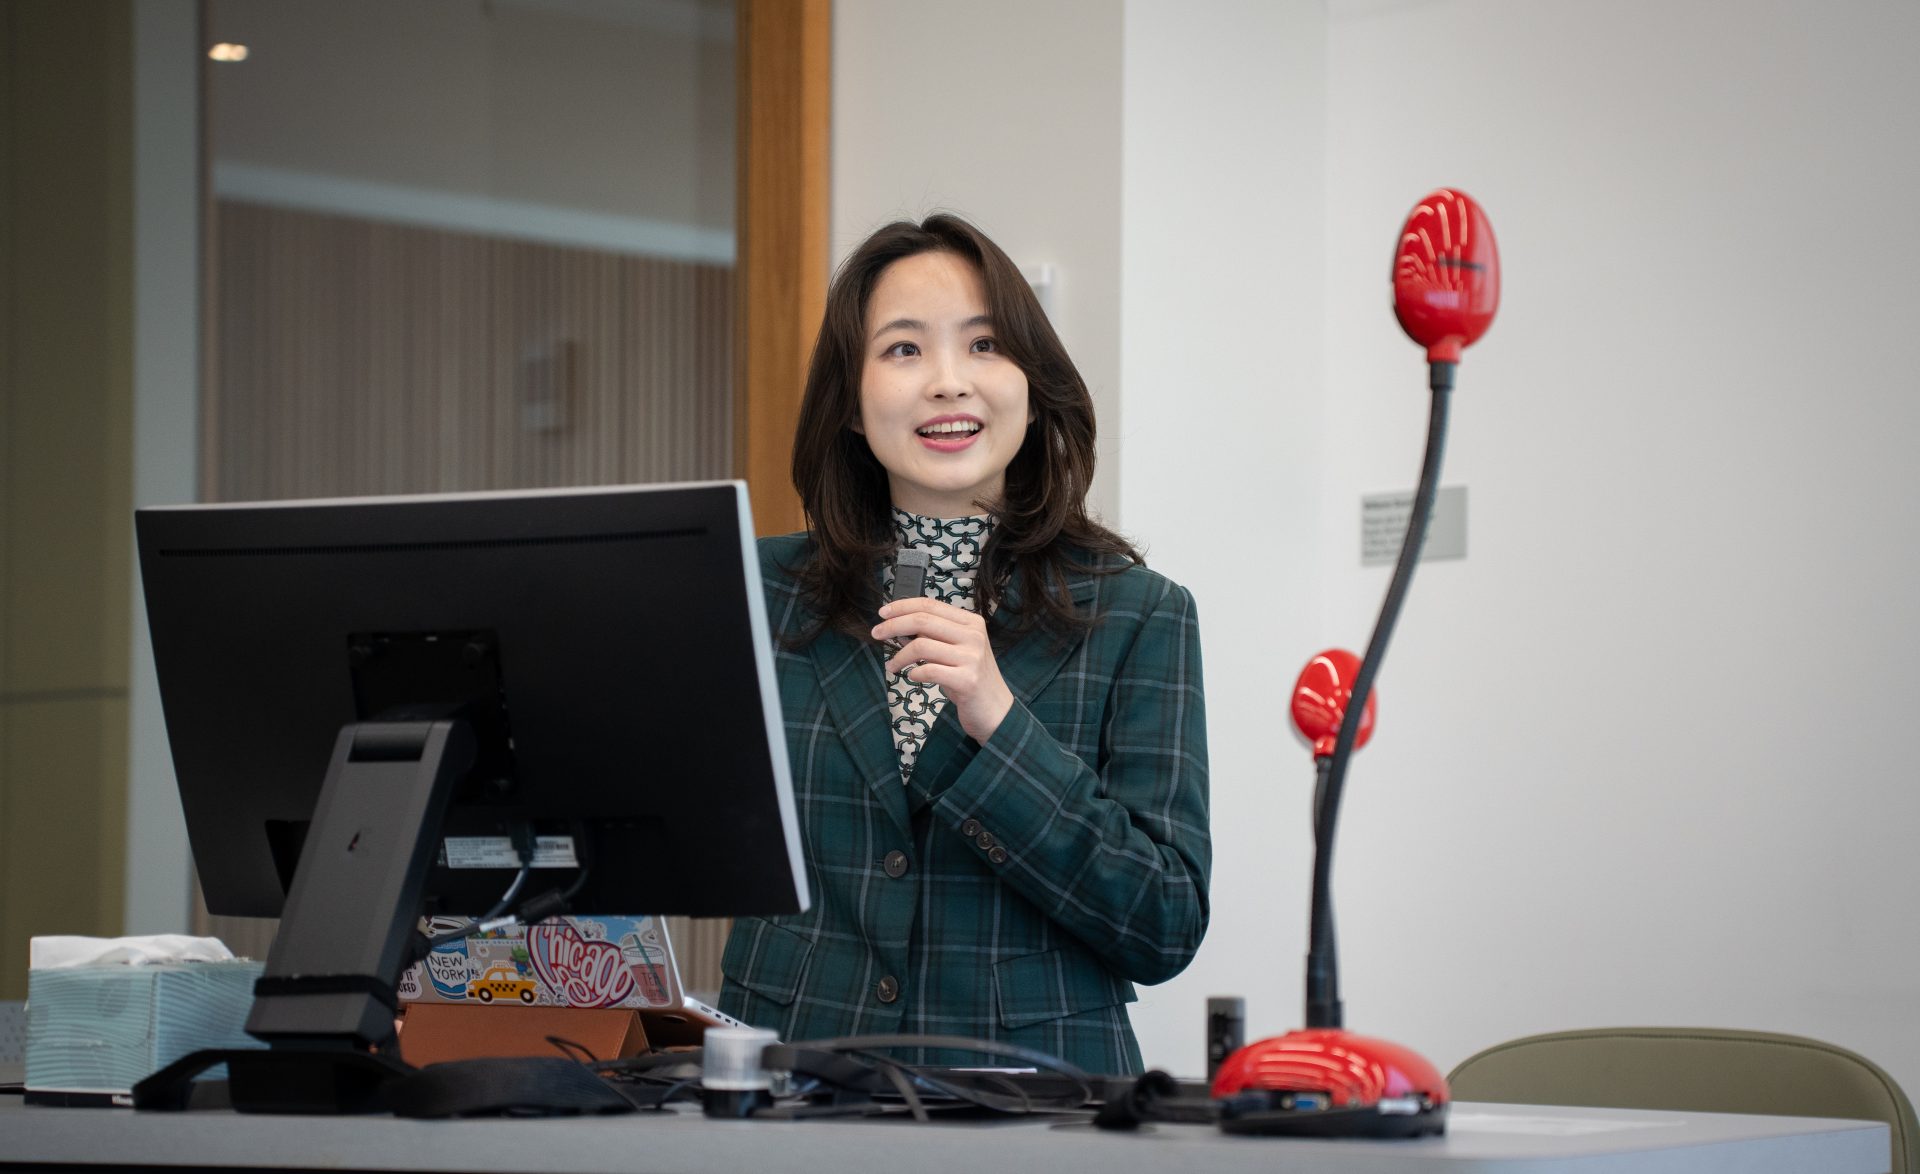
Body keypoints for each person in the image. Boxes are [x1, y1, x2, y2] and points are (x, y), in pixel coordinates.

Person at [717, 213, 1210, 1075]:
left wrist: (1001, 724)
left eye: (984, 345)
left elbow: (1162, 923)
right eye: (904, 350)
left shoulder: (1141, 613)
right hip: (796, 1087)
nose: (949, 382)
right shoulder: (752, 595)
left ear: (1033, 381)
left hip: (1040, 1100)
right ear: (849, 399)